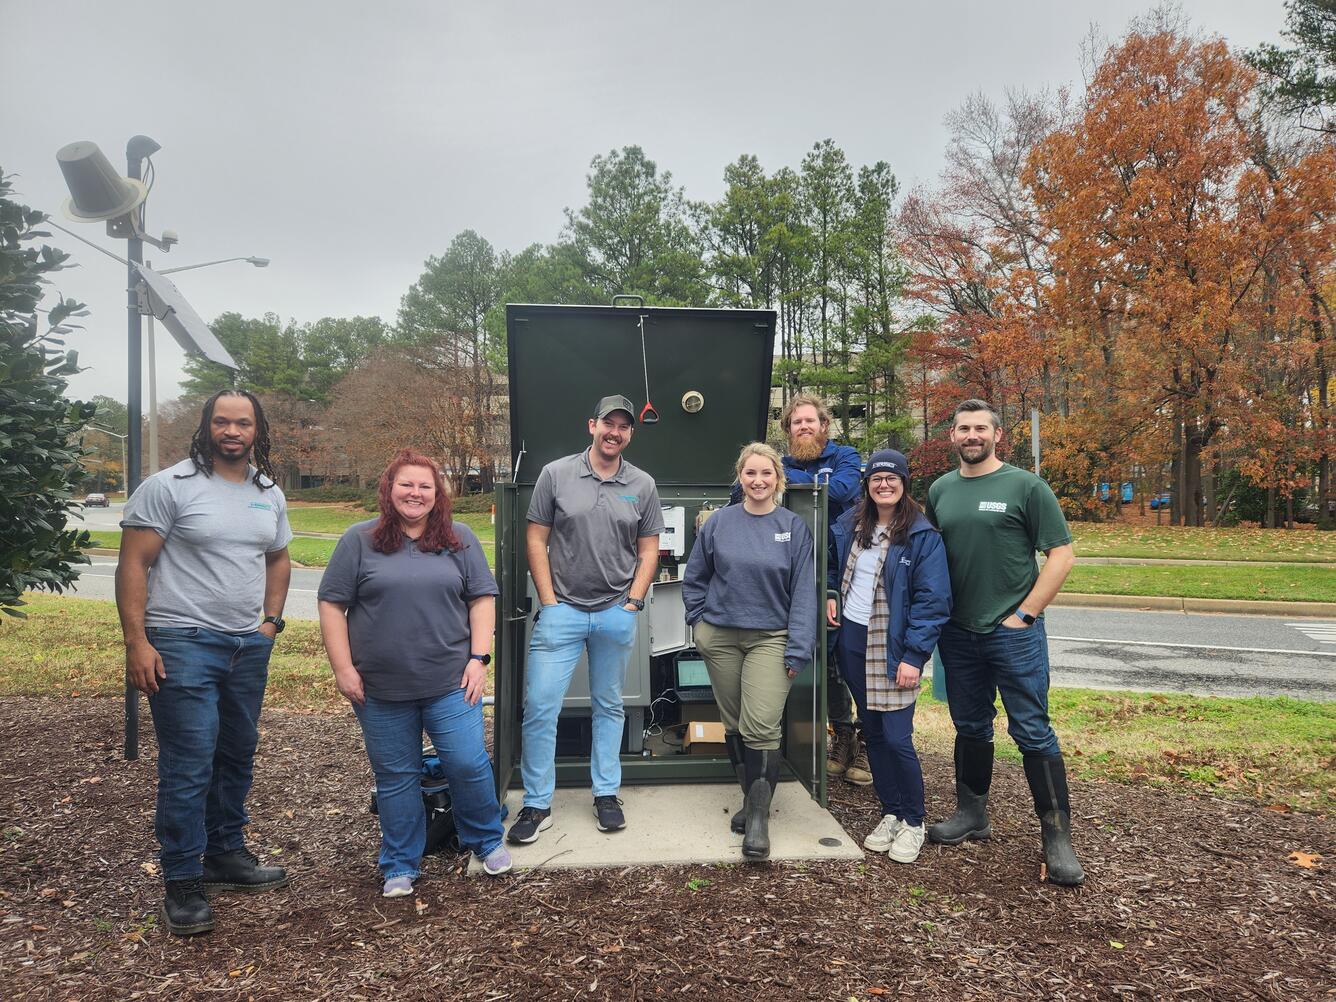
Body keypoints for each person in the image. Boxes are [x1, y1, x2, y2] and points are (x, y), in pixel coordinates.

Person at [116, 389, 293, 937]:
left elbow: (278, 556)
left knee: (237, 753)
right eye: (222, 422)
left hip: (246, 645)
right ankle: (182, 881)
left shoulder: (269, 493)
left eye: (243, 423)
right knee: (189, 763)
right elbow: (133, 565)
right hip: (182, 641)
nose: (232, 431)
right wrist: (137, 642)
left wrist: (270, 622)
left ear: (257, 431)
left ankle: (224, 854)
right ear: (206, 426)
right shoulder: (168, 487)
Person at [318, 449, 511, 896]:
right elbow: (331, 604)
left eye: (425, 486)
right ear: (389, 490)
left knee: (467, 762)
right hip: (379, 688)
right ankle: (400, 863)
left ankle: (484, 838)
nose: (415, 493)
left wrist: (479, 659)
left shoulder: (459, 538)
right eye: (406, 484)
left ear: (437, 494)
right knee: (396, 776)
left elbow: (482, 600)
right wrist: (343, 668)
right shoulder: (358, 540)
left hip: (449, 682)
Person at [925, 399, 1084, 886]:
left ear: (997, 435)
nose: (971, 435)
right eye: (962, 428)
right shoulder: (940, 490)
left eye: (980, 428)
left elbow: (1062, 553)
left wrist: (1026, 614)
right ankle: (972, 814)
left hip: (1012, 633)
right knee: (971, 726)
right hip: (958, 632)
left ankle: (1057, 838)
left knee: (1033, 731)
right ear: (951, 436)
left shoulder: (1025, 487)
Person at [507, 395, 664, 844]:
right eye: (608, 424)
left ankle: (606, 794)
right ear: (591, 425)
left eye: (624, 427)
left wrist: (633, 602)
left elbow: (649, 548)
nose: (615, 432)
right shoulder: (555, 474)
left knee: (609, 706)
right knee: (540, 707)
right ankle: (537, 804)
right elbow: (536, 539)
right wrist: (549, 601)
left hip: (616, 612)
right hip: (563, 612)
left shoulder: (643, 484)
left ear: (630, 434)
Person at [684, 442, 817, 860]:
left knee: (760, 724)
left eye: (766, 474)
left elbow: (803, 594)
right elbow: (695, 576)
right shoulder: (718, 523)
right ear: (739, 477)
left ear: (778, 479)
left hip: (771, 638)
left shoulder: (793, 527)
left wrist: (798, 648)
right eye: (750, 473)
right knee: (734, 723)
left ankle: (758, 821)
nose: (758, 481)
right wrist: (698, 623)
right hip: (720, 637)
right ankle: (750, 801)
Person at [734, 393, 866, 784]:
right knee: (818, 661)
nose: (804, 427)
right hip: (794, 574)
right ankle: (832, 738)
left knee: (852, 659)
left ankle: (865, 741)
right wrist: (779, 478)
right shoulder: (781, 464)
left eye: (811, 421)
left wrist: (786, 481)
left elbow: (838, 491)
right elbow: (743, 495)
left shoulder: (844, 457)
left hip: (844, 574)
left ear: (824, 426)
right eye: (796, 423)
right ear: (787, 430)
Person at [827, 450, 951, 864]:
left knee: (897, 738)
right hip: (852, 639)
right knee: (874, 734)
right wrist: (830, 594)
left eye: (891, 478)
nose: (884, 484)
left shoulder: (920, 535)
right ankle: (890, 812)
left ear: (903, 484)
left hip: (894, 646)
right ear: (867, 484)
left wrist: (915, 655)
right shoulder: (850, 526)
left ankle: (914, 821)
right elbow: (831, 568)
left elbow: (932, 602)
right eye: (876, 478)